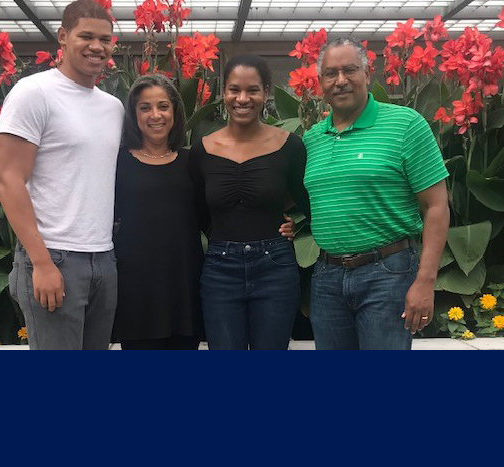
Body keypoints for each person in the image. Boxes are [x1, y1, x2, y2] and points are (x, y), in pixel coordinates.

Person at [303, 37, 450, 350]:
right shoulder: (313, 138)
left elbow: (436, 206)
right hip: (327, 278)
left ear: (368, 75)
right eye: (331, 73)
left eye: (350, 70)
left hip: (389, 275)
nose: (340, 80)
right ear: (321, 83)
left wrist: (425, 282)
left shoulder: (406, 125)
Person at [0, 0, 124, 350]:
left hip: (104, 258)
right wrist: (41, 262)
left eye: (106, 39)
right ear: (63, 37)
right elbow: (8, 180)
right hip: (54, 256)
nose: (97, 47)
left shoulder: (112, 107)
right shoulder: (34, 93)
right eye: (86, 36)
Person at [189, 54, 310, 350]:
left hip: (275, 267)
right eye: (234, 89)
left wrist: (293, 226)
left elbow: (308, 202)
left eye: (253, 90)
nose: (243, 98)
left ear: (266, 92)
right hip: (220, 269)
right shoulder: (202, 150)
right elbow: (199, 213)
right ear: (223, 93)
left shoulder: (290, 146)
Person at [112, 74, 205, 350]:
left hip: (183, 286)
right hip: (136, 291)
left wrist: (278, 224)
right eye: (145, 108)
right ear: (134, 114)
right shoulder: (117, 161)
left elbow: (215, 216)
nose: (156, 115)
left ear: (175, 111)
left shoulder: (193, 162)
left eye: (163, 106)